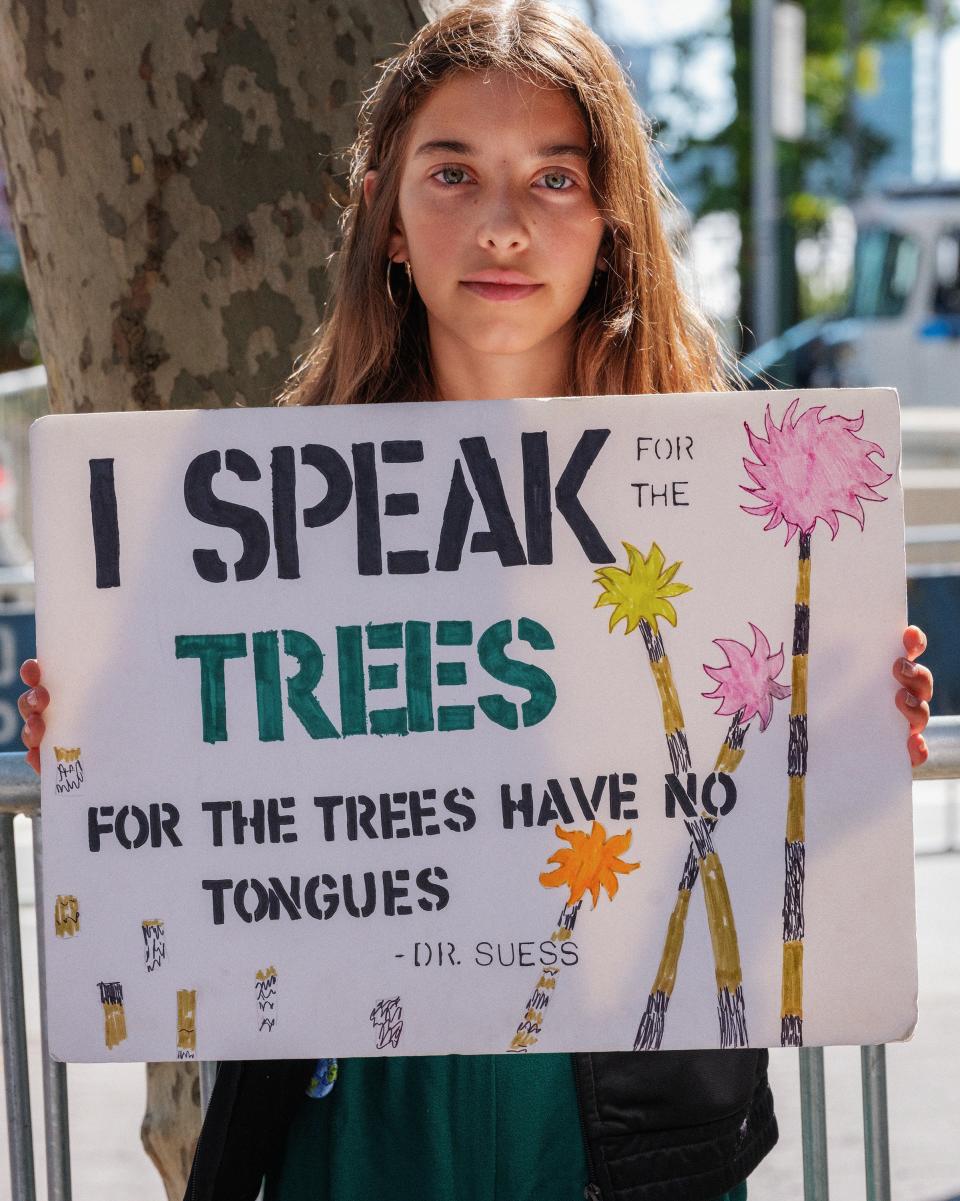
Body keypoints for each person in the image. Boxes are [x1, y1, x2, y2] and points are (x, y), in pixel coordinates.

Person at [18, 4, 934, 1200]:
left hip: (617, 1128)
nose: (503, 225)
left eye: (555, 176)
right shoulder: (252, 511)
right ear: (387, 218)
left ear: (610, 223)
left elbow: (771, 852)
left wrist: (853, 742)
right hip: (349, 1120)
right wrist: (109, 745)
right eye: (453, 173)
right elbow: (206, 791)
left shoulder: (733, 511)